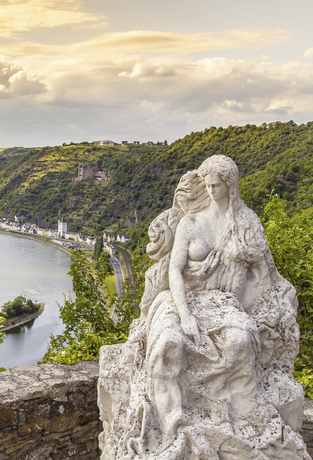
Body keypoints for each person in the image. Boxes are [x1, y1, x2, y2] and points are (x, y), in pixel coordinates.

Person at [98, 155, 309, 459]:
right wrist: (185, 316)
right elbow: (174, 272)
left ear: (230, 186)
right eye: (206, 184)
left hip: (224, 304)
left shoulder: (246, 224)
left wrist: (268, 307)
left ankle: (234, 421)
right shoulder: (191, 223)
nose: (210, 190)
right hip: (180, 299)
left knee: (240, 340)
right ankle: (173, 428)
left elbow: (264, 274)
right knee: (168, 343)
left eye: (216, 185)